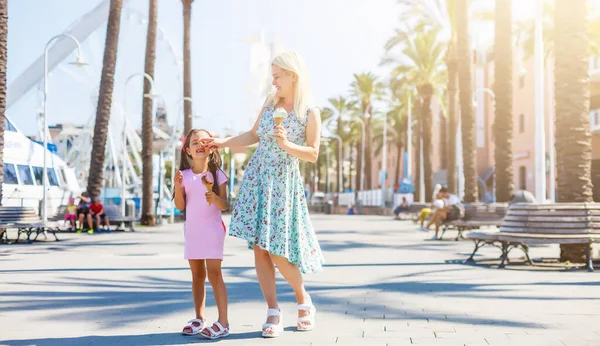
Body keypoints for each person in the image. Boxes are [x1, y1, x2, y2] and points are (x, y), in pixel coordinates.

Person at [202, 52, 324, 338]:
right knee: (260, 246)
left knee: (279, 251)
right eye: (273, 76)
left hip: (283, 182)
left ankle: (303, 299)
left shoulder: (310, 111)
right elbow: (252, 135)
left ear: (293, 75)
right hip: (258, 179)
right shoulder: (270, 104)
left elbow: (313, 153)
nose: (274, 82)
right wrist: (223, 142)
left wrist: (287, 144)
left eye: (278, 76)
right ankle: (273, 309)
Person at [174, 129, 230, 340]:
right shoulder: (184, 176)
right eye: (195, 142)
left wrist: (214, 197)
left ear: (211, 147)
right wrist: (178, 187)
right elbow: (180, 206)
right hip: (193, 231)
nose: (199, 144)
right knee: (197, 276)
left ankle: (223, 322)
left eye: (204, 141)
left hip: (213, 231)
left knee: (215, 274)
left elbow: (224, 205)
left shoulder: (217, 175)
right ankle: (199, 317)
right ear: (187, 150)